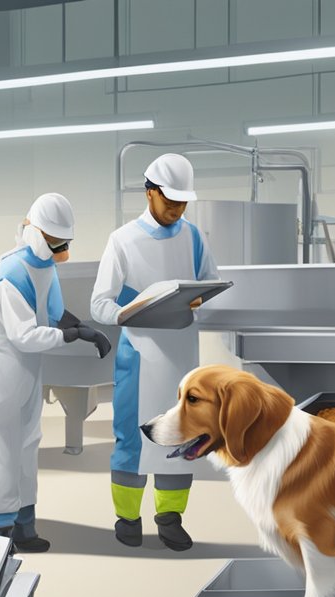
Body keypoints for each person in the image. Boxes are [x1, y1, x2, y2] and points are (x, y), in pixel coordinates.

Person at [0, 193, 111, 552]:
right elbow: (23, 334)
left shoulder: (44, 266)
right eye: (54, 241)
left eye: (64, 243)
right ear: (33, 230)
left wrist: (83, 328)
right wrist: (71, 336)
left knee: (28, 440)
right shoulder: (11, 272)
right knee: (2, 444)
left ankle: (24, 525)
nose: (60, 249)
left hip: (26, 364)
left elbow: (54, 310)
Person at [91, 154, 219, 551]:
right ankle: (128, 518)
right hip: (140, 357)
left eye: (183, 203)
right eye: (170, 202)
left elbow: (212, 286)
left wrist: (203, 302)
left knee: (182, 439)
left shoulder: (194, 237)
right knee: (132, 439)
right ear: (150, 193)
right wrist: (127, 312)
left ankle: (170, 518)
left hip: (182, 358)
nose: (177, 210)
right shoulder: (123, 240)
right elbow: (100, 304)